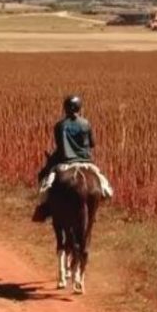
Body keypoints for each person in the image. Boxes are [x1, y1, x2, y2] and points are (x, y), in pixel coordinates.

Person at [32, 94, 113, 222]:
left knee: (45, 182)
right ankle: (96, 205)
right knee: (103, 183)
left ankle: (44, 209)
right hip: (86, 161)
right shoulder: (86, 123)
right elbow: (92, 144)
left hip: (65, 162)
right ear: (79, 108)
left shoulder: (60, 125)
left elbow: (60, 146)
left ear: (65, 108)